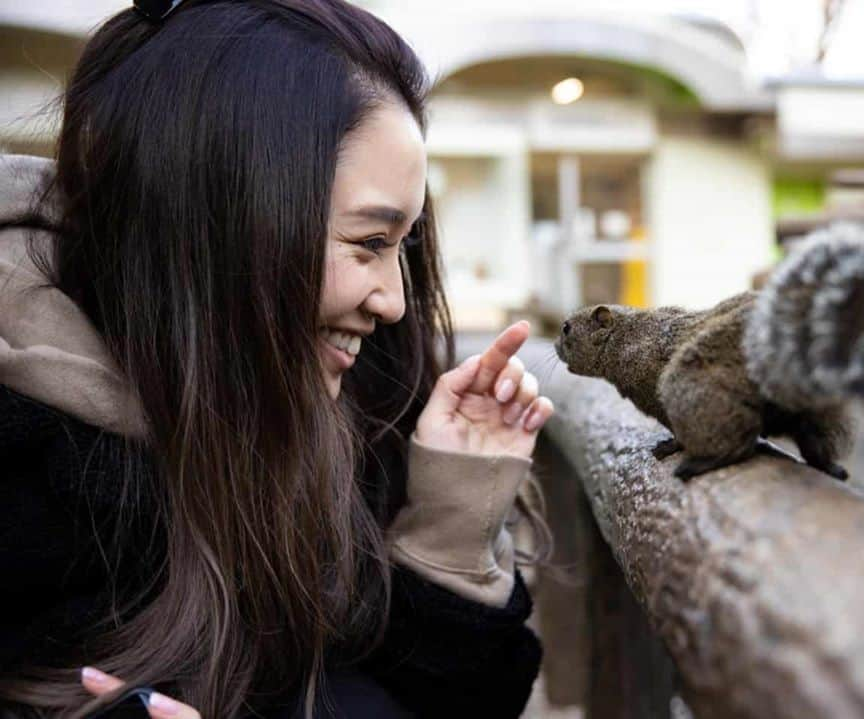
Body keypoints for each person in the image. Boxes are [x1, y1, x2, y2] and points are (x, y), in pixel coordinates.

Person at [0, 0, 555, 716]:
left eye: (404, 245)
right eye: (366, 243)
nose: (391, 299)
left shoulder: (356, 406)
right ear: (218, 219)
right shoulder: (26, 467)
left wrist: (449, 523)